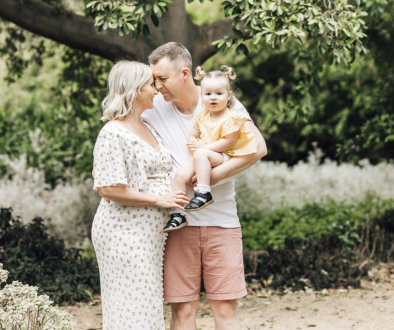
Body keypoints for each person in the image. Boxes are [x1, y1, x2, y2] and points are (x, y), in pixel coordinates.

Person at [142, 42, 267, 329]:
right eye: (154, 79)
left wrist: (211, 178)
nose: (157, 85)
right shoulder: (153, 105)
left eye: (162, 78)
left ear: (184, 73)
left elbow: (258, 147)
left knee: (225, 313)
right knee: (183, 314)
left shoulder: (218, 99)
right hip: (177, 224)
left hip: (222, 222)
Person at [91, 60, 189, 329]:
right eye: (150, 84)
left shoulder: (149, 127)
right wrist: (159, 200)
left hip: (150, 234)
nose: (157, 89)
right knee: (130, 307)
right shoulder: (112, 133)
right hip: (123, 232)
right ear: (134, 90)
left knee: (146, 305)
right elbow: (108, 188)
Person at [162, 65, 257, 232]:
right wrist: (192, 140)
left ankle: (204, 192)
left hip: (222, 156)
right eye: (208, 94)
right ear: (202, 95)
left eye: (218, 94)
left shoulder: (232, 116)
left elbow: (228, 142)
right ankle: (177, 214)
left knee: (201, 155)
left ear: (228, 96)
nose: (213, 98)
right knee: (180, 176)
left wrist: (203, 147)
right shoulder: (203, 114)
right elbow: (193, 133)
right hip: (203, 156)